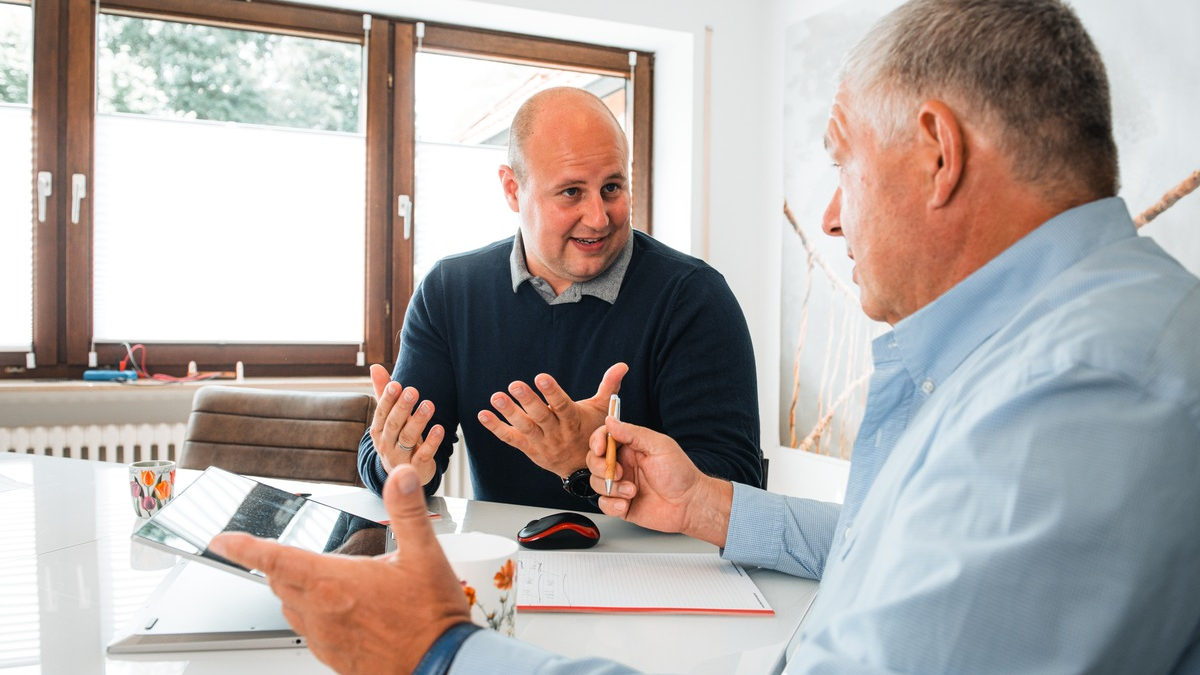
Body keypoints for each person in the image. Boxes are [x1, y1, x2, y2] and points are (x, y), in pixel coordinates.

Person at [210, 0, 1200, 672]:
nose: (832, 220)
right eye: (569, 192)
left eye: (842, 165)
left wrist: (442, 650)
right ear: (514, 193)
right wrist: (708, 504)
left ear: (937, 155)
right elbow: (894, 544)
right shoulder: (1054, 348)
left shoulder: (1088, 387)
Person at [356, 86, 763, 511]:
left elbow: (734, 484)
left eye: (611, 187)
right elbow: (392, 456)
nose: (599, 217)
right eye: (571, 192)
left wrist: (590, 461)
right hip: (509, 565)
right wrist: (398, 467)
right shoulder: (449, 291)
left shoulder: (694, 297)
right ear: (513, 189)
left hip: (656, 568)